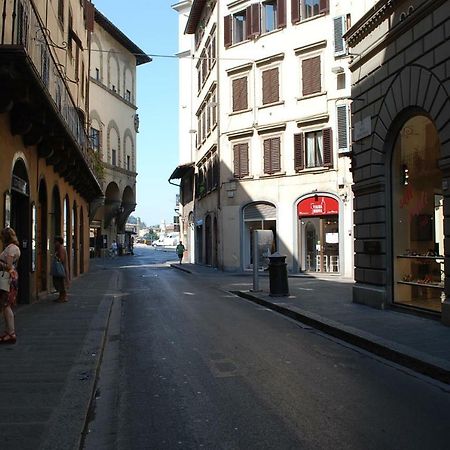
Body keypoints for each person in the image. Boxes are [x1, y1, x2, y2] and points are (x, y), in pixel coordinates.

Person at [0, 227, 21, 344]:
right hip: (9, 277)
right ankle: (8, 332)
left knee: (6, 304)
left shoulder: (11, 249)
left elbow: (8, 266)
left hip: (7, 278)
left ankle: (11, 333)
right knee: (6, 305)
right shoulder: (13, 248)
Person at [53, 236, 70, 303]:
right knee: (60, 283)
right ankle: (61, 297)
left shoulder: (61, 248)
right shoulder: (59, 248)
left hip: (61, 269)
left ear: (58, 242)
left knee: (61, 283)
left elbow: (61, 259)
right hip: (62, 268)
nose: (54, 243)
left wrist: (56, 257)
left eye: (55, 242)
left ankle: (63, 297)